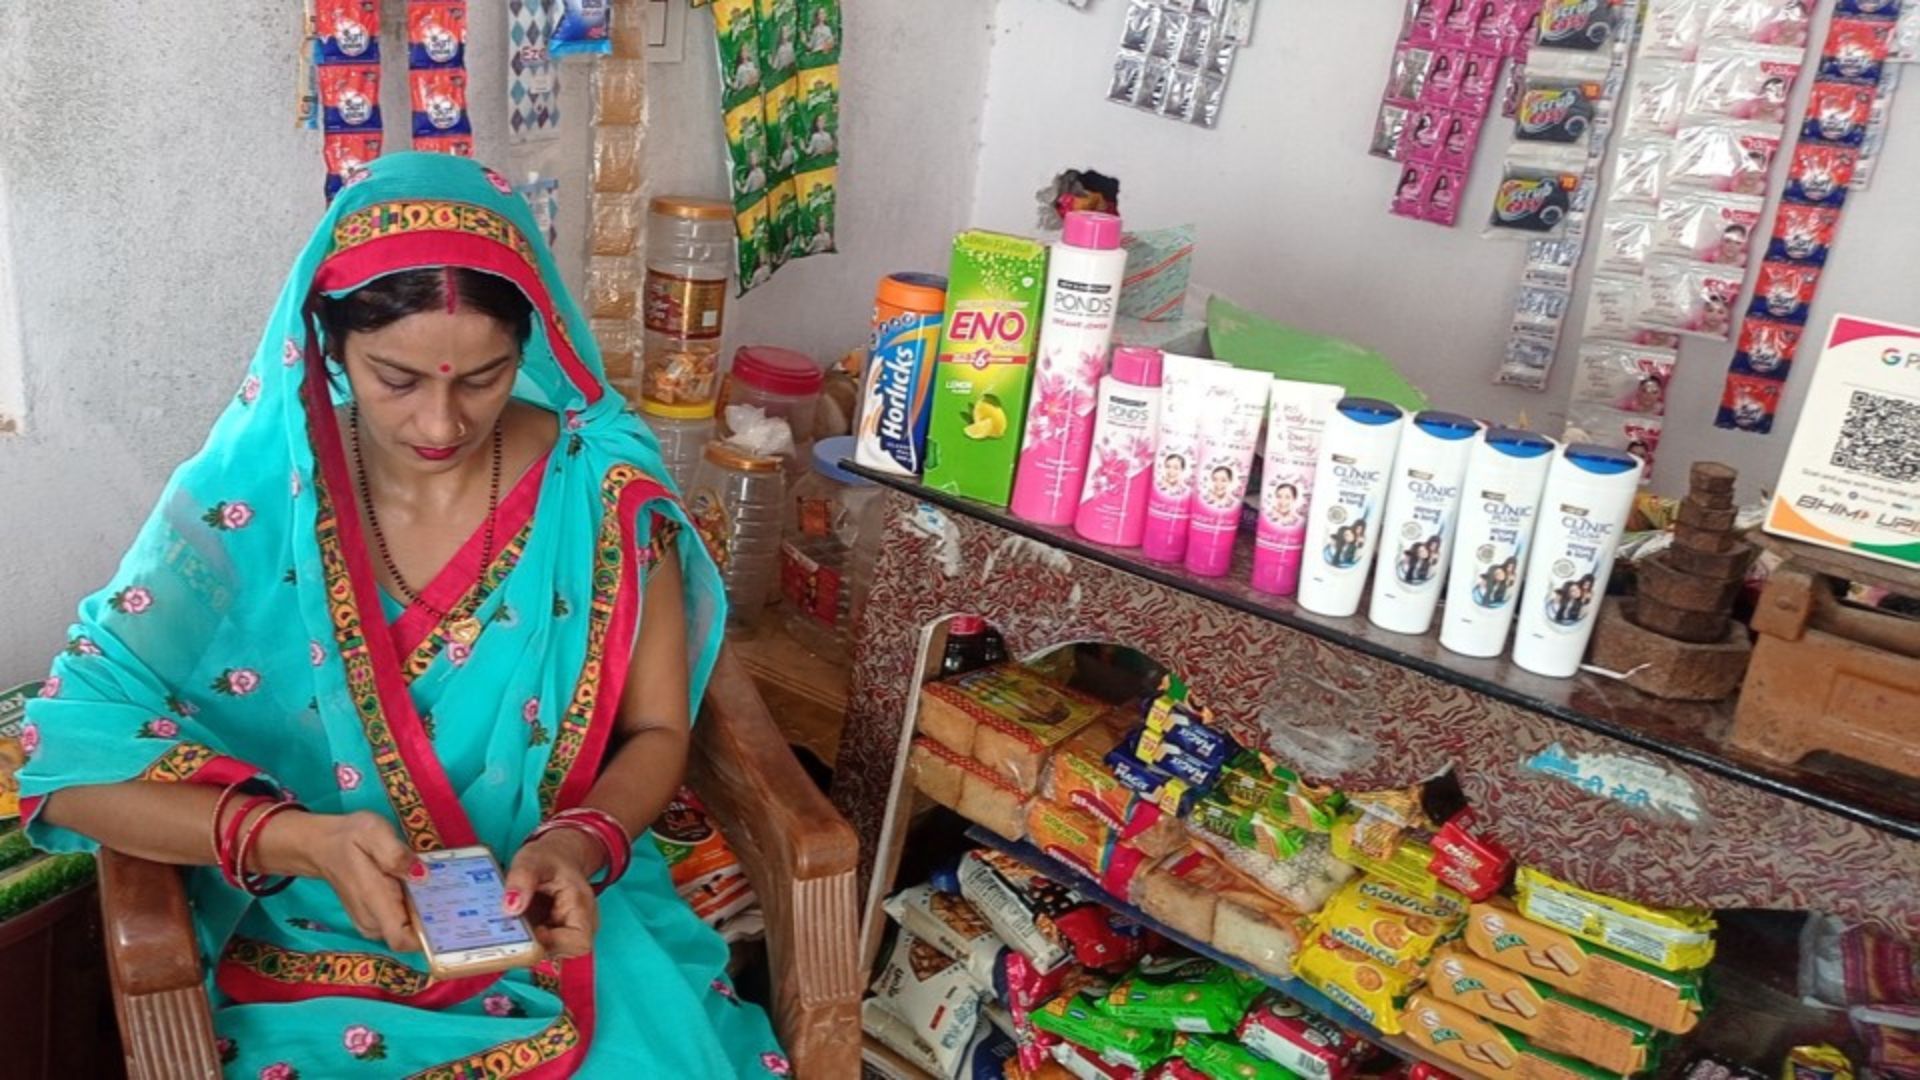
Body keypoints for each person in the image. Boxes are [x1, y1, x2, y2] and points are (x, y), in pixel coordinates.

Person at [16, 154, 787, 1078]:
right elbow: (58, 760)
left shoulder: (601, 489)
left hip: (552, 908)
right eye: (396, 378)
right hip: (310, 923)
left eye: (484, 378)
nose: (439, 423)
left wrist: (578, 844)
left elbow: (658, 727)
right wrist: (299, 841)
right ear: (329, 347)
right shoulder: (258, 501)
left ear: (532, 348)